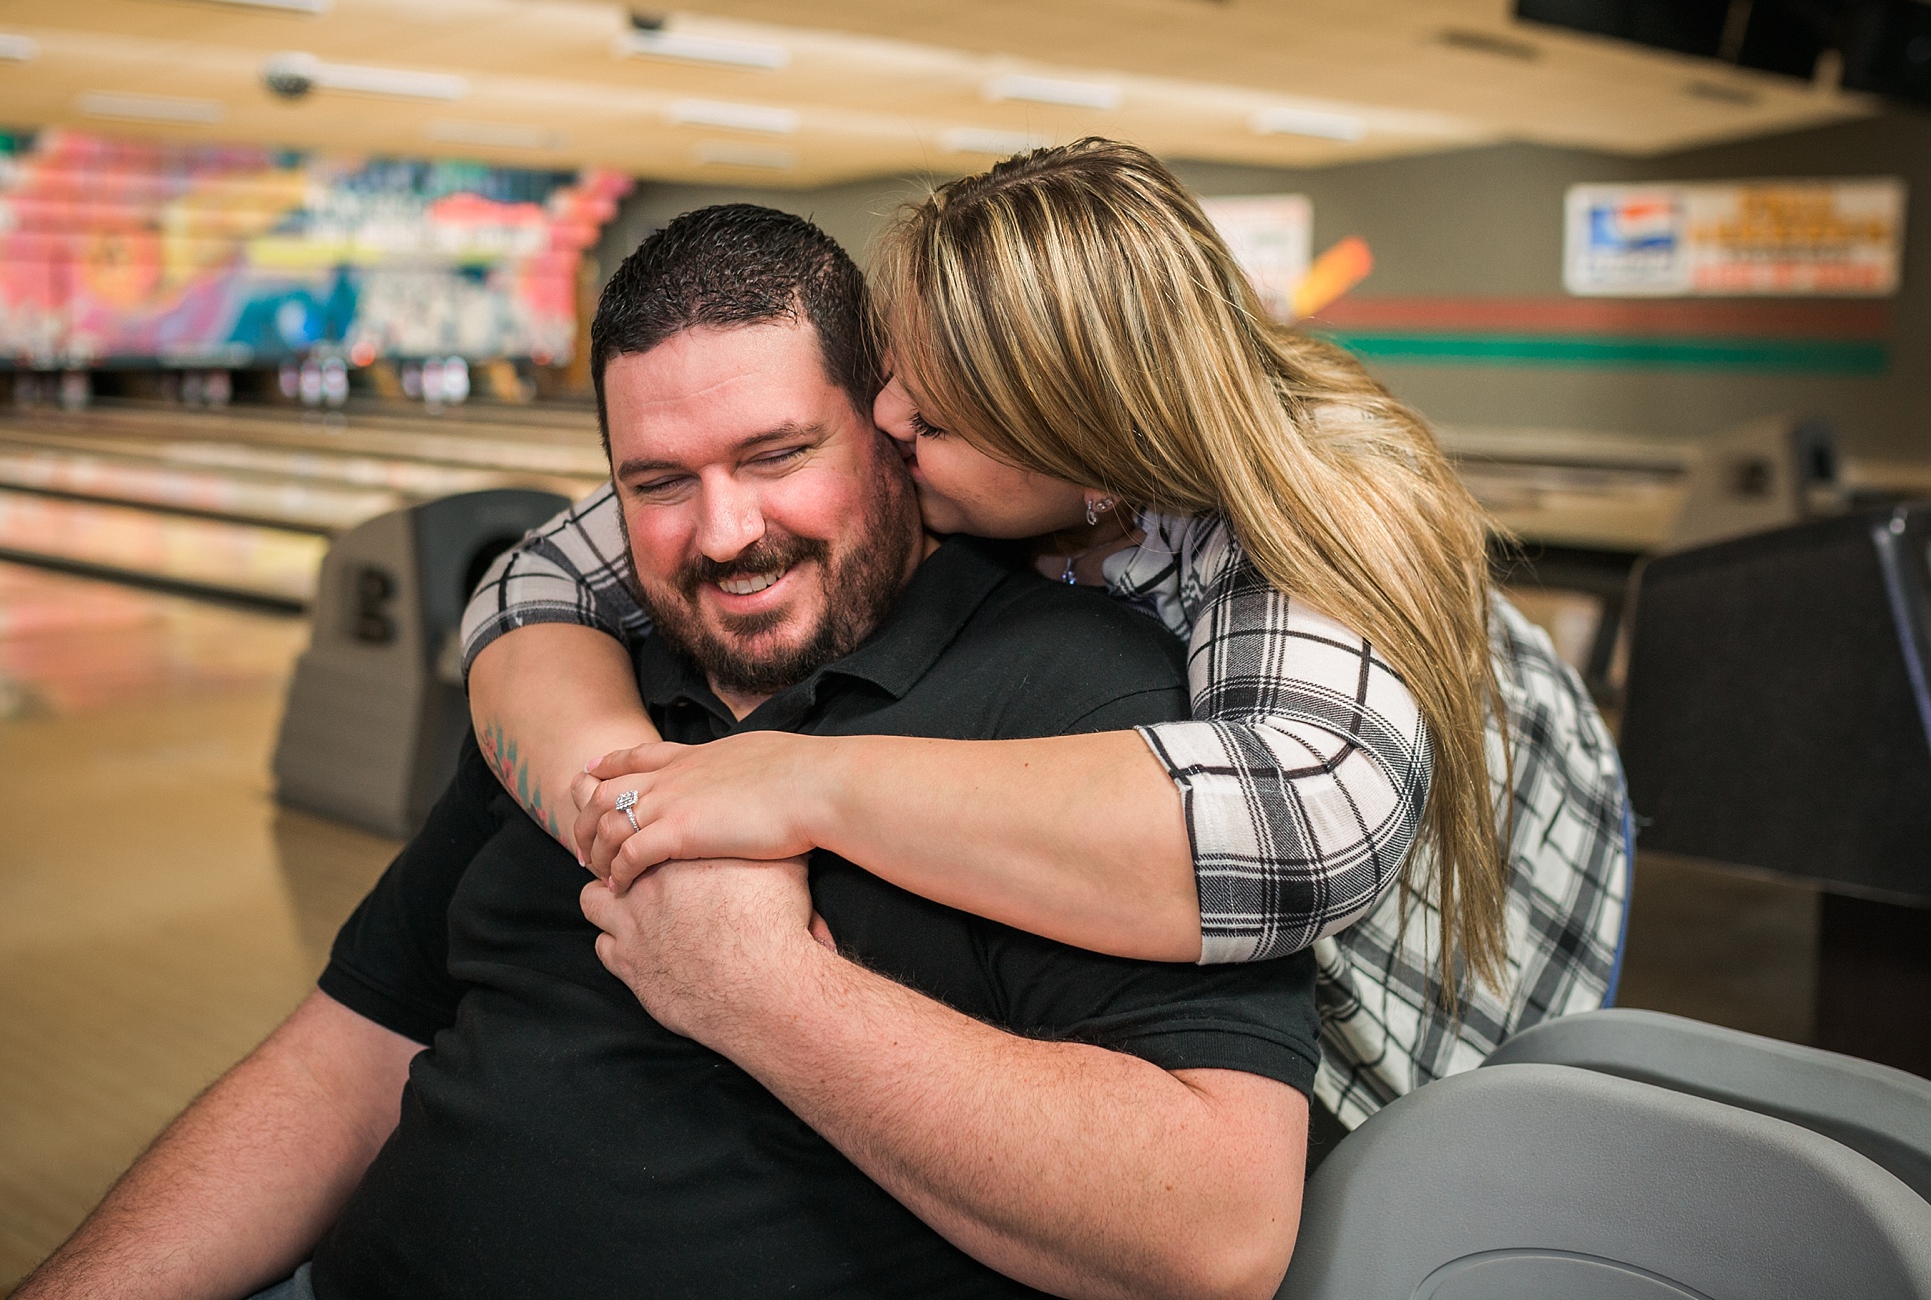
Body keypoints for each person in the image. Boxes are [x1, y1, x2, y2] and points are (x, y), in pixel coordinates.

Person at [19, 206, 1320, 1300]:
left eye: (778, 454)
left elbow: (1213, 1228)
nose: (724, 532)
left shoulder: (1082, 699)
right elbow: (351, 1048)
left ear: (893, 431)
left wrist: (766, 991)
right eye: (657, 481)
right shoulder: (581, 678)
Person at [466, 140, 1631, 1124]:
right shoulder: (945, 460)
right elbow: (532, 587)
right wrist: (630, 808)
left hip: (1503, 879)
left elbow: (1304, 829)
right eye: (890, 376)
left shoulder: (1298, 513)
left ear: (1077, 444)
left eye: (931, 416)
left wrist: (800, 782)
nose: (884, 420)